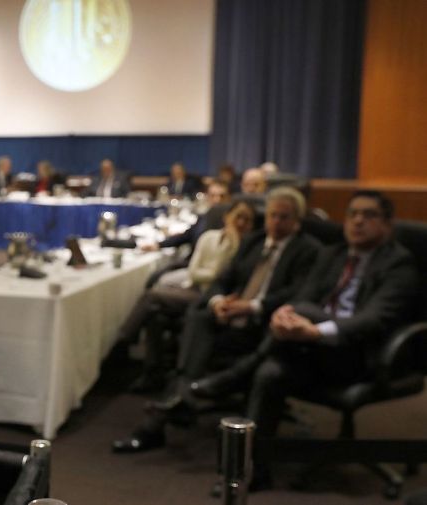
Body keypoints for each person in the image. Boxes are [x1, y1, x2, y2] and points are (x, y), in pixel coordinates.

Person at [112, 187, 320, 453]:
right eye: (272, 216)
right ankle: (184, 395)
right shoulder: (254, 242)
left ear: (297, 221)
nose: (276, 222)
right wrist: (218, 301)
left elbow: (299, 293)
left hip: (263, 327)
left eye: (284, 217)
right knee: (199, 314)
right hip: (227, 317)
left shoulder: (308, 250)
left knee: (191, 332)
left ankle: (157, 423)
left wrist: (252, 306)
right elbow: (222, 280)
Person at [242, 190, 418, 488]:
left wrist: (313, 330)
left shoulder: (400, 265)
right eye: (352, 214)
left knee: (300, 314)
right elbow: (302, 296)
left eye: (369, 215)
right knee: (270, 373)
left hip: (359, 355)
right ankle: (254, 469)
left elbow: (373, 320)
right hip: (308, 347)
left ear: (388, 225)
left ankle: (237, 372)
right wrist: (284, 318)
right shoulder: (332, 253)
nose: (358, 221)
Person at [121, 199, 256, 392]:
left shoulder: (249, 247)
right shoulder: (209, 237)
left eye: (247, 220)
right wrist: (209, 275)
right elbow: (194, 272)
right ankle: (153, 374)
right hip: (195, 290)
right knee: (155, 314)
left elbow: (219, 278)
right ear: (227, 217)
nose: (241, 223)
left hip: (213, 299)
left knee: (152, 297)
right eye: (238, 217)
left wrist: (231, 246)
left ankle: (124, 339)